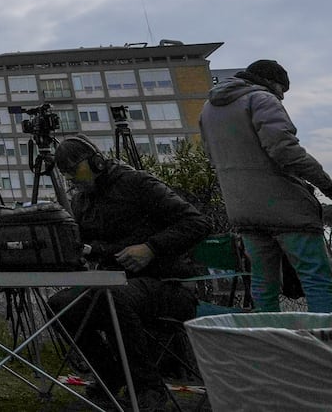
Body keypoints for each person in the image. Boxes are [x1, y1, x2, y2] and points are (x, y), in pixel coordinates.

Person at [47, 136, 210, 411]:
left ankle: (147, 387)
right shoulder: (81, 202)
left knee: (115, 298)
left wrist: (151, 248)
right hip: (114, 285)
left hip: (168, 285)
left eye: (74, 171)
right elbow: (98, 246)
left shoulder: (138, 183)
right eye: (65, 175)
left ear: (96, 161)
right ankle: (109, 375)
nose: (71, 179)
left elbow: (197, 223)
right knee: (60, 305)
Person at [200, 58, 332, 312]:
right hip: (285, 208)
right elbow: (284, 150)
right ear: (271, 82)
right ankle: (329, 340)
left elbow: (211, 155)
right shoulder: (261, 99)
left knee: (262, 281)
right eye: (282, 90)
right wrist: (327, 184)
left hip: (243, 209)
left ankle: (270, 338)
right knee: (316, 280)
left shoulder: (208, 109)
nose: (282, 97)